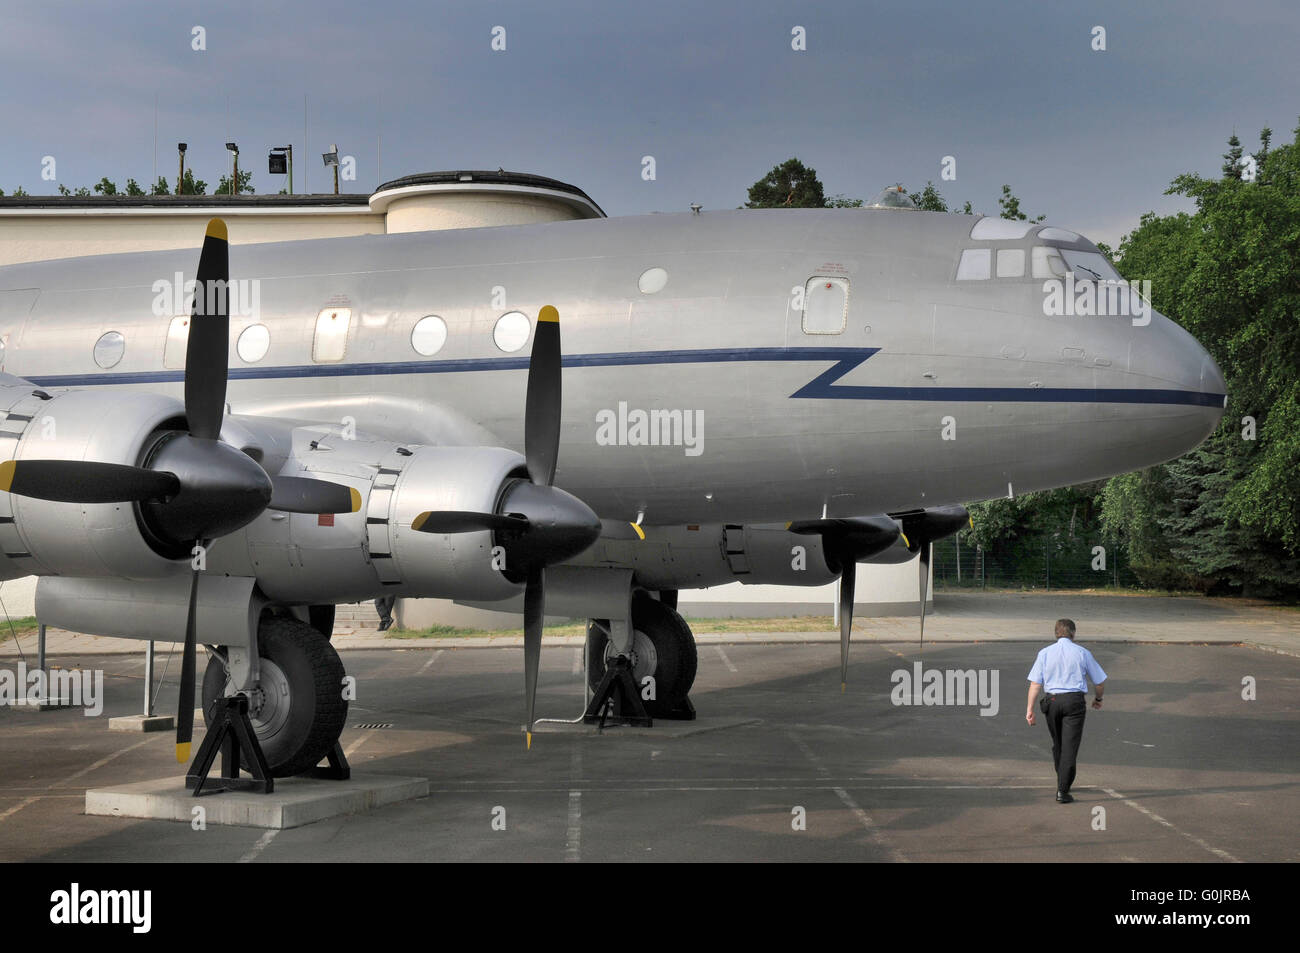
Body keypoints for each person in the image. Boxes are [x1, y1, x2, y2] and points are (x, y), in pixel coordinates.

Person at [1025, 618, 1106, 803]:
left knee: (1058, 743)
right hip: (1074, 702)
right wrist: (1098, 698)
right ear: (1073, 633)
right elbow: (1099, 682)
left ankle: (1062, 776)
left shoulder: (1044, 653)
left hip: (1051, 701)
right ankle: (1063, 789)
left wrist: (1030, 709)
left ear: (1056, 633)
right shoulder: (1082, 653)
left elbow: (1035, 684)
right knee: (1070, 746)